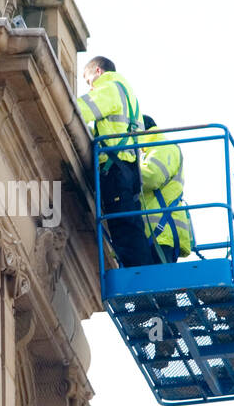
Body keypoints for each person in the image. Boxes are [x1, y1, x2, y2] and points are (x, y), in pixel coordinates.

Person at [78, 57, 159, 268]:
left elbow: (82, 110)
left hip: (115, 169)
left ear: (97, 71)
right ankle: (144, 273)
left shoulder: (109, 86)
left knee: (123, 228)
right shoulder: (130, 96)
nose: (91, 87)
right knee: (133, 226)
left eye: (89, 81)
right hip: (130, 169)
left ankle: (139, 278)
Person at [138, 115, 194, 263]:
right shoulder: (150, 151)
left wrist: (125, 172)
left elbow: (152, 176)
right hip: (157, 234)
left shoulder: (163, 146)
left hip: (161, 233)